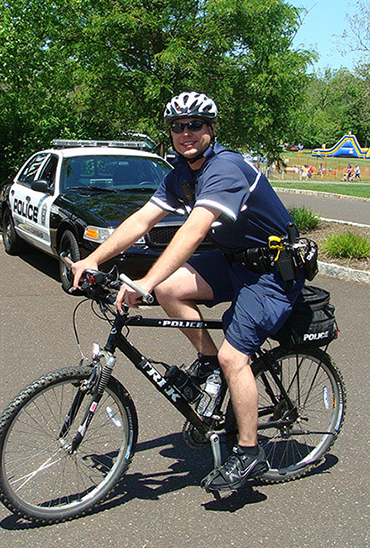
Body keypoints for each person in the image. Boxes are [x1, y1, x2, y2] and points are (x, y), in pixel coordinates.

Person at [71, 91, 305, 492]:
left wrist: (140, 282)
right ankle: (208, 361)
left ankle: (249, 452)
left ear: (211, 129)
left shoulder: (226, 167)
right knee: (169, 288)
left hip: (272, 270)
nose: (185, 133)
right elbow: (143, 219)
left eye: (195, 124)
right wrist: (92, 259)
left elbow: (194, 231)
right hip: (235, 262)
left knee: (236, 357)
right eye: (177, 127)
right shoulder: (180, 174)